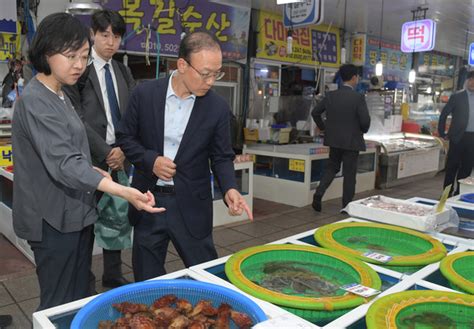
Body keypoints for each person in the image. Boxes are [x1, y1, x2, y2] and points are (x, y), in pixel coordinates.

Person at [11, 12, 163, 311]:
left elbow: (72, 151)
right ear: (46, 53)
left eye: (83, 56)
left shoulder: (60, 95)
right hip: (52, 218)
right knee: (57, 301)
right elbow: (64, 163)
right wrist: (122, 191)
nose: (79, 65)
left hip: (76, 212)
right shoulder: (35, 100)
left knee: (80, 291)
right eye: (70, 56)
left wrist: (93, 169)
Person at [116, 31, 253, 282]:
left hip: (191, 204)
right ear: (182, 65)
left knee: (206, 276)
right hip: (148, 200)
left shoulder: (218, 108)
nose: (211, 81)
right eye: (205, 73)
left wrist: (230, 189)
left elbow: (222, 156)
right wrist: (151, 161)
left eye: (217, 73)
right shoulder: (144, 94)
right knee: (147, 277)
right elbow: (125, 137)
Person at [64, 9, 135, 290]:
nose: (111, 42)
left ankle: (113, 275)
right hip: (90, 159)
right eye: (105, 35)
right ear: (92, 34)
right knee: (86, 223)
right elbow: (76, 118)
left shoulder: (123, 70)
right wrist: (106, 151)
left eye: (116, 36)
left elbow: (132, 115)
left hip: (119, 158)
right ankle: (85, 280)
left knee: (116, 218)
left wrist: (123, 150)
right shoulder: (79, 70)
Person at [311, 64, 370, 212]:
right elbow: (365, 121)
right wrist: (362, 130)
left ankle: (319, 193)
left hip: (334, 140)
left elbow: (315, 112)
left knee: (332, 167)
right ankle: (346, 206)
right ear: (354, 78)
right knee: (349, 174)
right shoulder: (358, 97)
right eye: (357, 77)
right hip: (352, 141)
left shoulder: (331, 96)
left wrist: (324, 127)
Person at [438, 70, 474, 196]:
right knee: (452, 167)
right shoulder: (457, 97)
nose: (472, 82)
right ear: (467, 81)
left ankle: (459, 194)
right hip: (457, 137)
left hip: (472, 139)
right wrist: (442, 132)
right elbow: (444, 114)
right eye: (470, 79)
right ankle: (446, 194)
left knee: (467, 168)